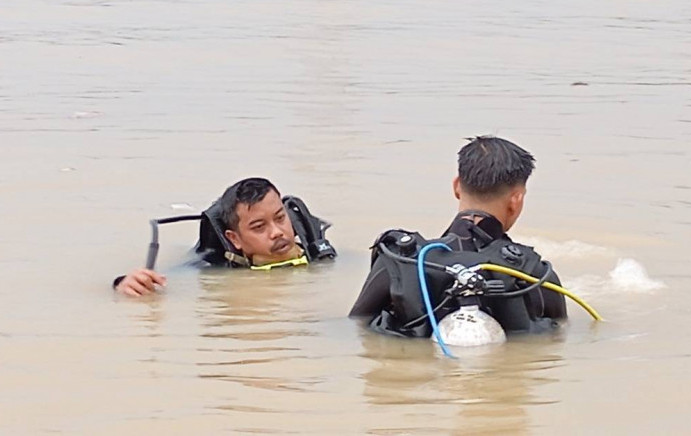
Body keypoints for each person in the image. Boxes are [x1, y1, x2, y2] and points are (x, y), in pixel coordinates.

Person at [349, 136, 567, 336]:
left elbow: (357, 326)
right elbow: (559, 336)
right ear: (516, 200)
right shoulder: (533, 272)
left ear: (456, 187)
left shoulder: (400, 260)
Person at [114, 177, 336, 296]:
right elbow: (166, 280)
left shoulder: (320, 253)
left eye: (280, 218)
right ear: (235, 238)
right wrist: (123, 283)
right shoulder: (212, 268)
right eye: (259, 227)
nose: (276, 231)